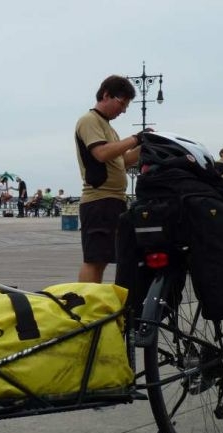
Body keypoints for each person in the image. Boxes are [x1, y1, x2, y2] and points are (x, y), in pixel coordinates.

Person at [75, 74, 144, 283]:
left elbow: (123, 161)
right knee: (95, 259)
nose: (123, 110)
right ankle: (85, 308)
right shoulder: (89, 120)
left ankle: (92, 305)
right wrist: (134, 138)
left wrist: (145, 144)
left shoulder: (108, 127)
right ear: (106, 95)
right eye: (121, 103)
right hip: (99, 200)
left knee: (102, 258)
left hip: (112, 200)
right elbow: (102, 153)